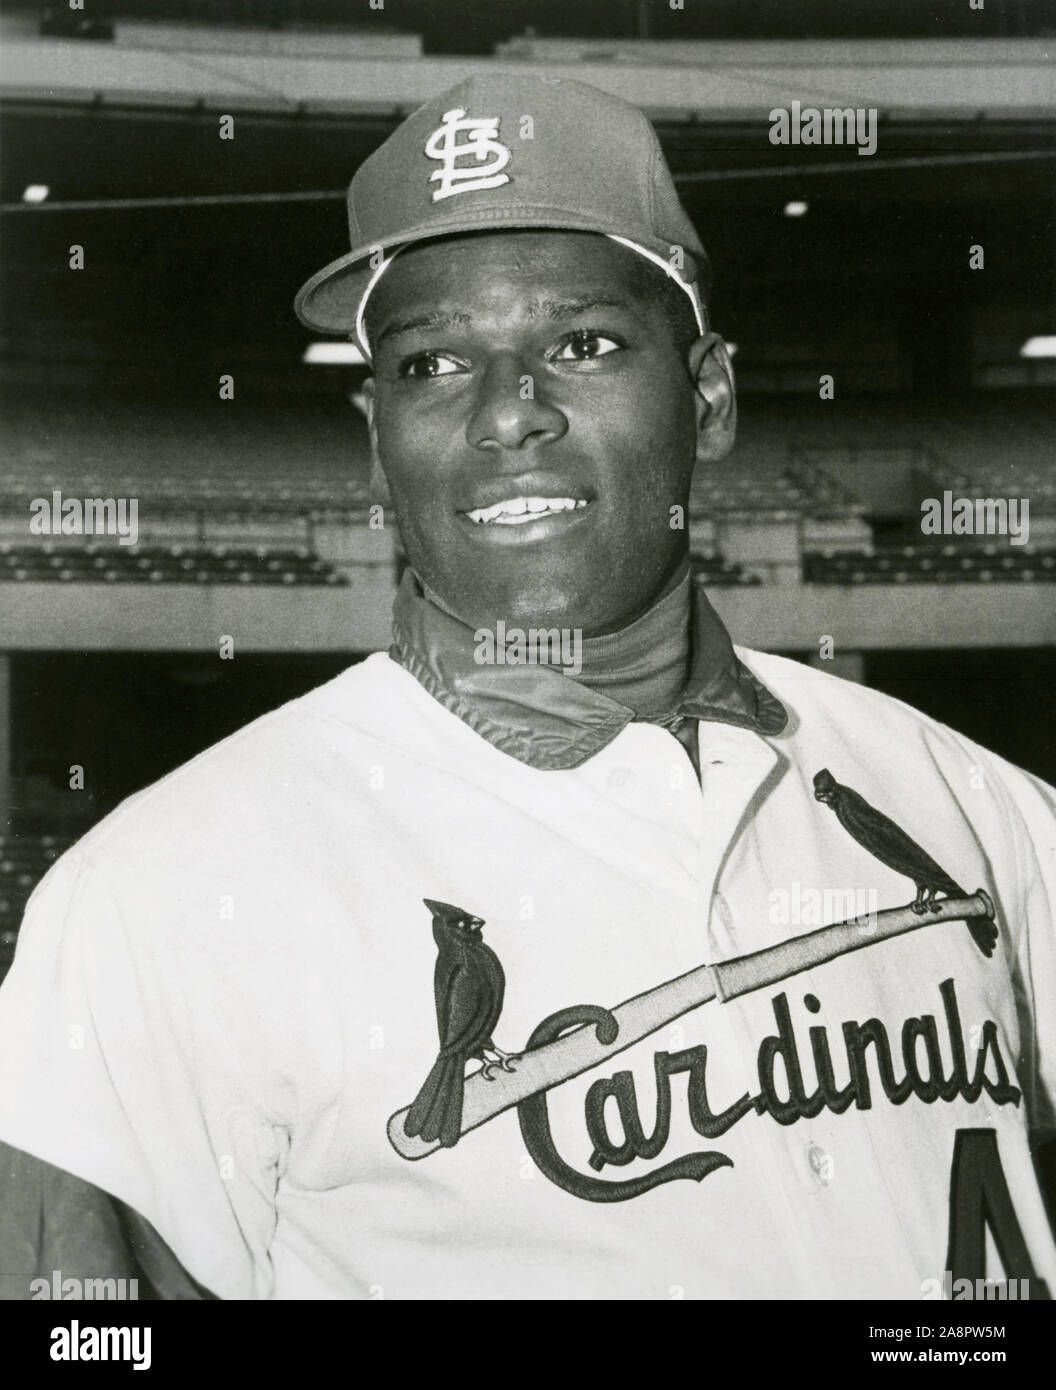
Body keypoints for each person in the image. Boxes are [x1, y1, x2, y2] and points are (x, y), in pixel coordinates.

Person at [1, 73, 1054, 1301]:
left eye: (582, 343)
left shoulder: (972, 803)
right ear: (376, 445)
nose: (509, 413)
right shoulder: (155, 900)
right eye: (434, 361)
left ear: (709, 398)